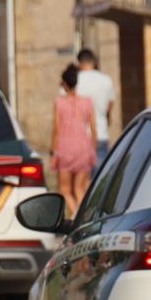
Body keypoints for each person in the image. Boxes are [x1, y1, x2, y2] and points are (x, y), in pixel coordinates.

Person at [50, 63, 97, 218]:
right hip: (84, 146)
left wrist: (53, 153)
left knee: (65, 190)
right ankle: (84, 217)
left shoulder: (59, 102)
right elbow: (93, 128)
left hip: (65, 147)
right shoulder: (88, 101)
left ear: (64, 84)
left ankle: (77, 218)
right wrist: (93, 150)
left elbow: (57, 128)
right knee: (80, 189)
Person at [74, 47, 115, 171]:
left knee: (81, 186)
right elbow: (110, 106)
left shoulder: (74, 81)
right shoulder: (106, 80)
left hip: (79, 137)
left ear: (79, 63)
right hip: (101, 134)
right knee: (101, 182)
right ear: (94, 62)